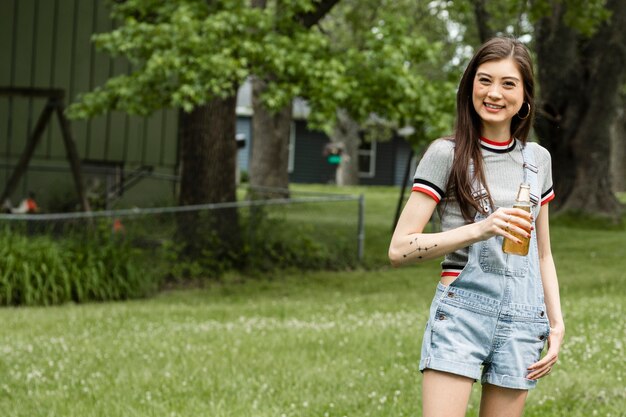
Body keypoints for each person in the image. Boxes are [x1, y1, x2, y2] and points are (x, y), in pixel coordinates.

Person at [388, 37, 564, 417]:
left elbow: (544, 254)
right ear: (470, 87)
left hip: (522, 317)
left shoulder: (538, 160)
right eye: (484, 81)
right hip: (461, 314)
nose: (494, 93)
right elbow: (399, 248)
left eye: (508, 83)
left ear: (525, 96)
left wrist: (555, 323)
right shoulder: (445, 155)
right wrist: (480, 229)